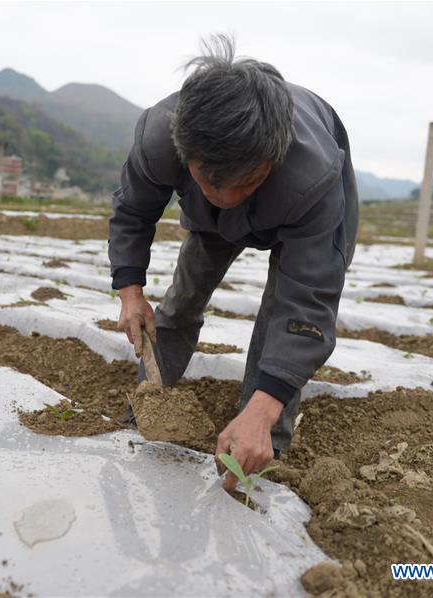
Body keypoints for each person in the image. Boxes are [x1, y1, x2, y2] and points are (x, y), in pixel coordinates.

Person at [108, 36, 358, 492]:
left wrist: (265, 406)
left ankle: (264, 440)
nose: (228, 196)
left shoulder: (314, 177)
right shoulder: (160, 137)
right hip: (208, 221)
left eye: (246, 182)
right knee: (182, 298)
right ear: (185, 152)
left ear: (271, 160)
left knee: (278, 316)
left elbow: (306, 303)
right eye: (212, 181)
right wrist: (130, 292)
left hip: (293, 206)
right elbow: (132, 212)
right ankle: (150, 402)